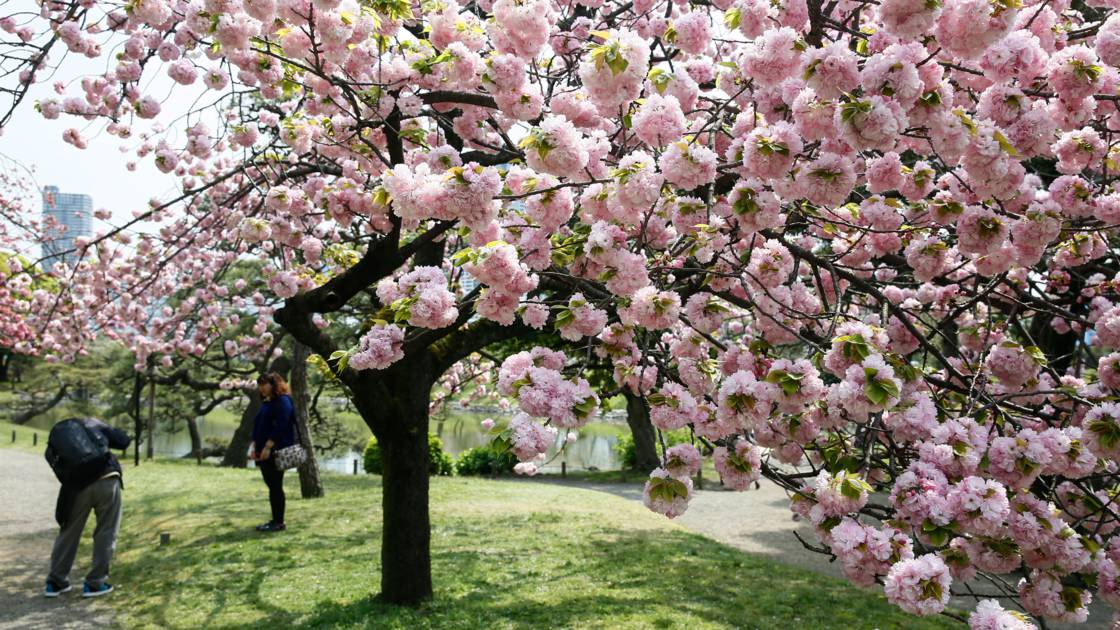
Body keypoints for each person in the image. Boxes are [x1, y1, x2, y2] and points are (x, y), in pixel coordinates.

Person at [45, 418, 130, 598]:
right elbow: (123, 442)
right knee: (106, 531)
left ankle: (56, 582)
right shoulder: (92, 424)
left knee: (69, 532)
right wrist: (106, 426)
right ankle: (95, 584)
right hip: (107, 478)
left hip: (77, 487)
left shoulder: (57, 438)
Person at [250, 372, 296, 533]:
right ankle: (275, 519)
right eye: (260, 384)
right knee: (272, 486)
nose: (261, 387)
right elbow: (259, 426)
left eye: (264, 384)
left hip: (274, 452)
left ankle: (278, 522)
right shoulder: (268, 402)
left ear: (274, 384)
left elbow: (282, 424)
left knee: (275, 486)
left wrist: (268, 446)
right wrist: (254, 446)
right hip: (263, 451)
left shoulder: (283, 401)